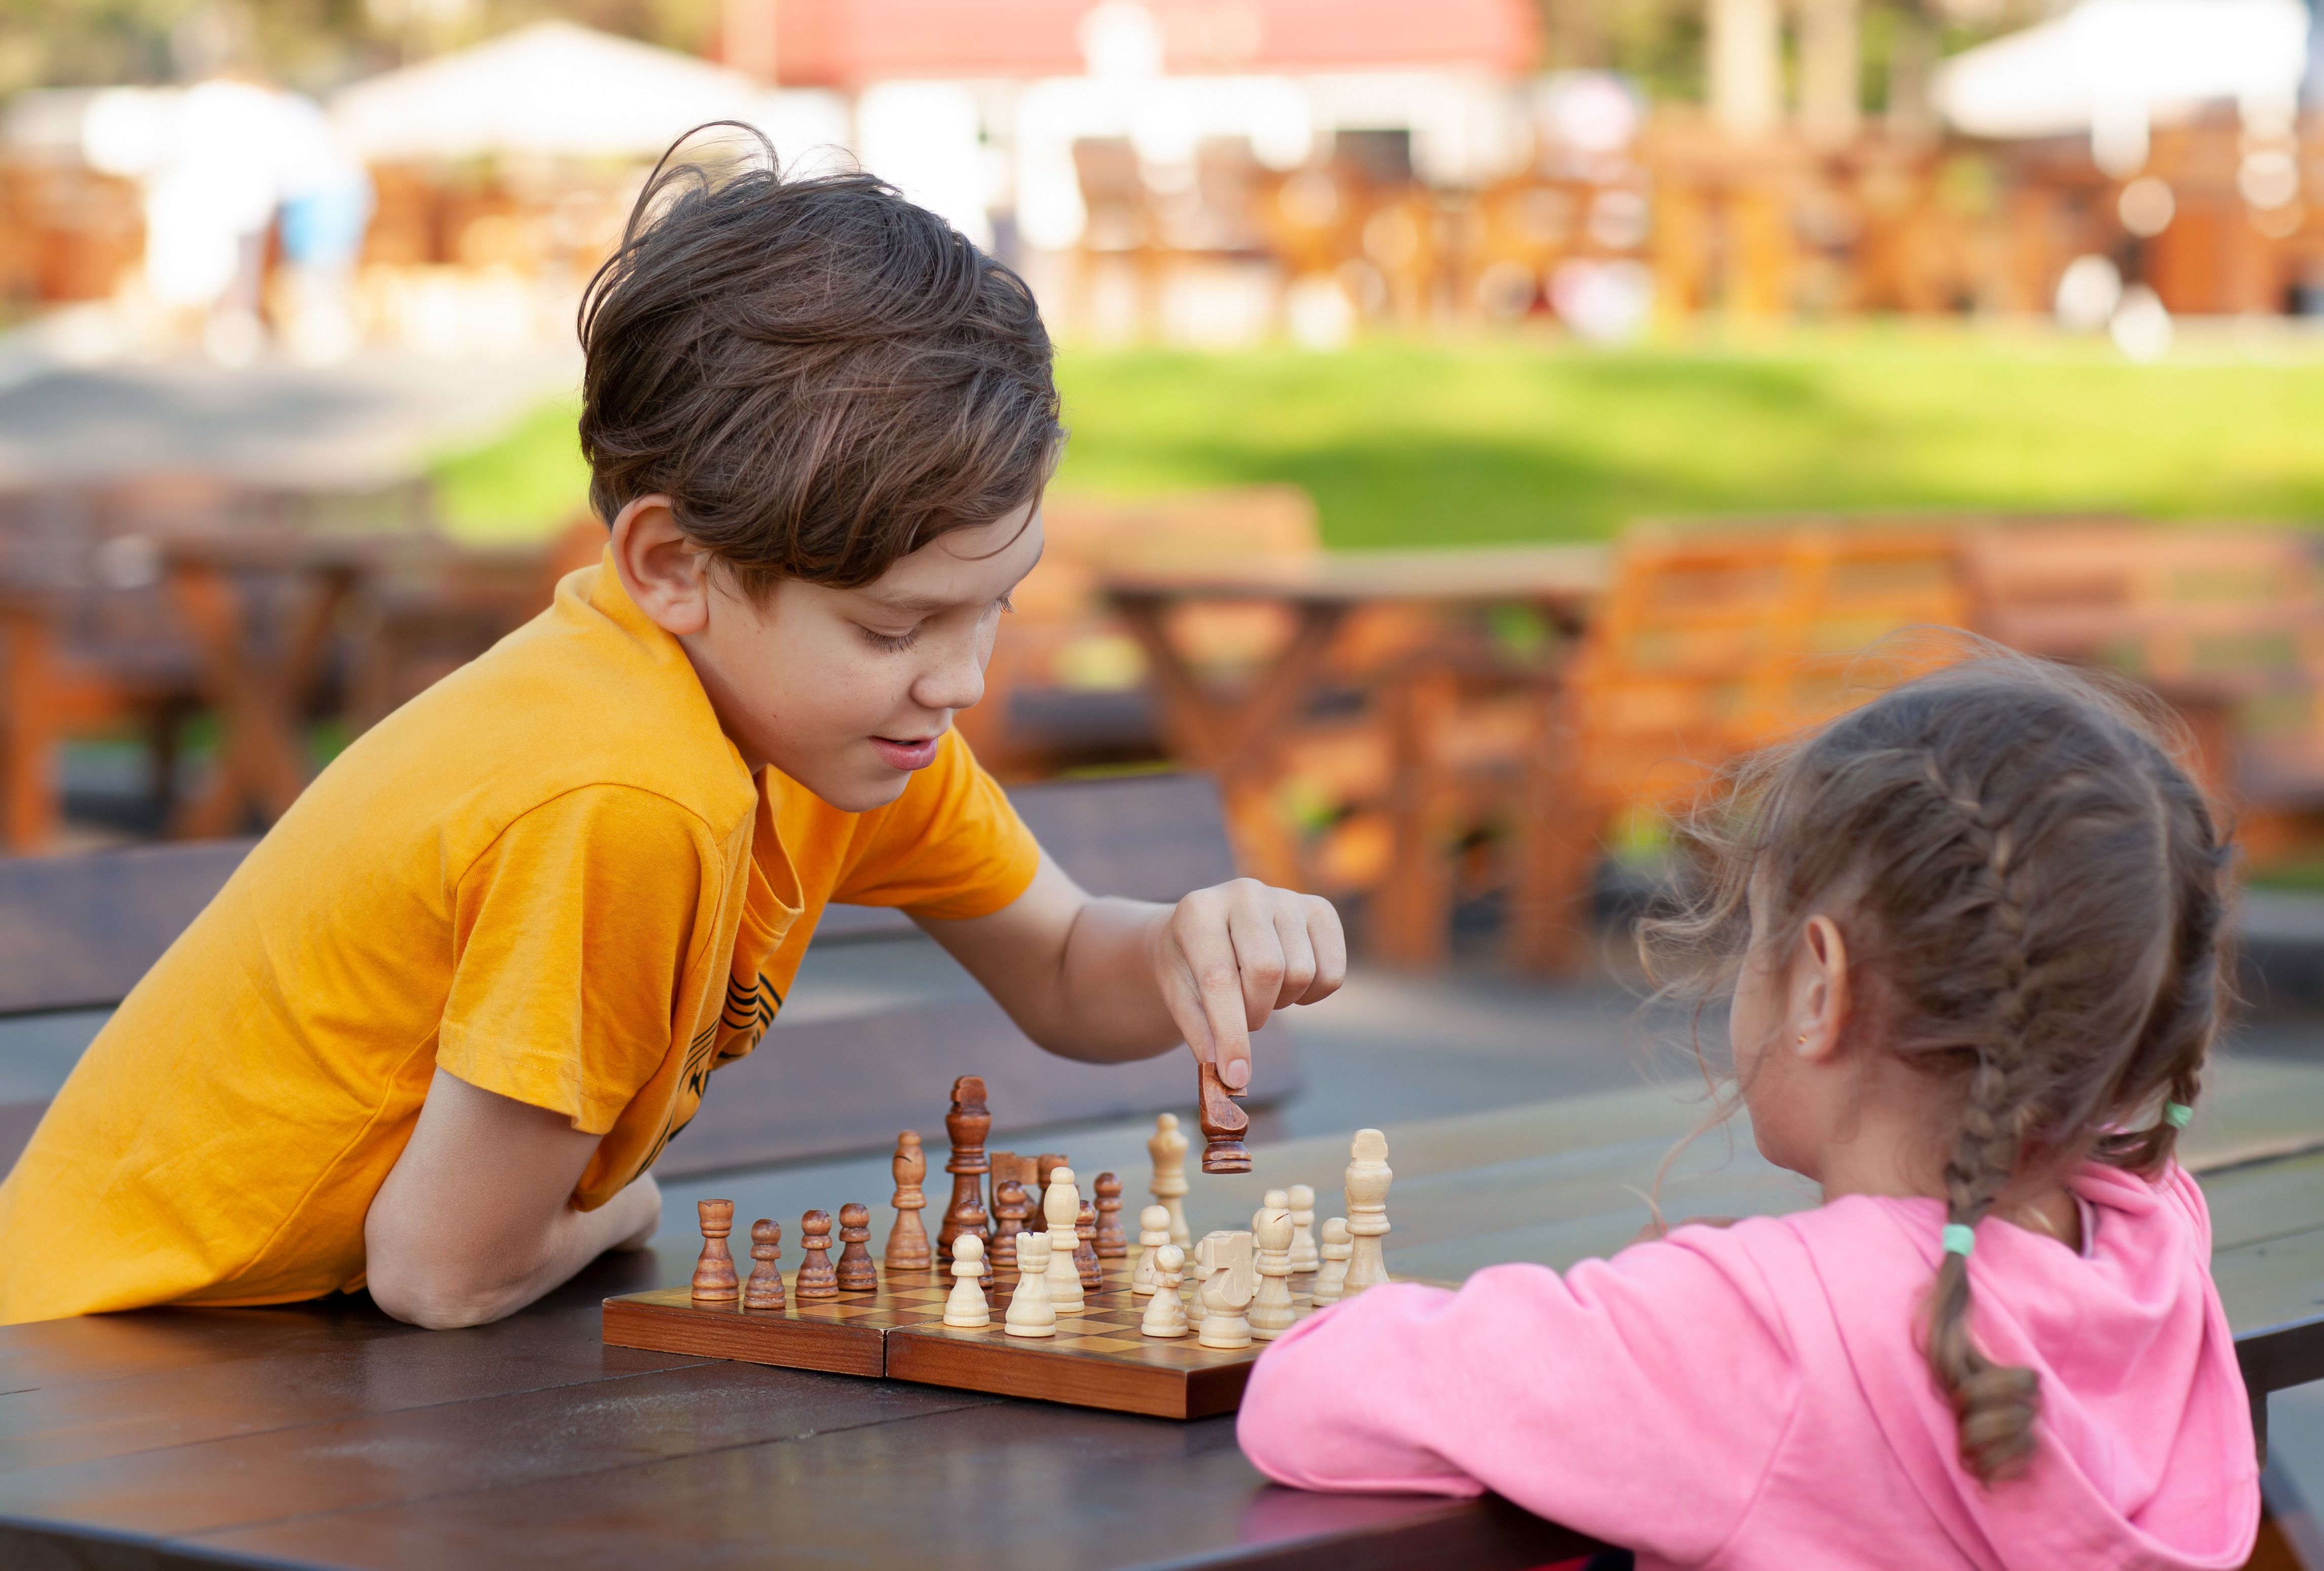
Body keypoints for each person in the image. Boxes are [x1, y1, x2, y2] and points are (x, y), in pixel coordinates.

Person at [0, 131, 1343, 1329]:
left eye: (993, 604)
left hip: (244, 1355)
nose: (960, 679)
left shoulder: (835, 732)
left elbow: (1056, 963)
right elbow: (445, 1271)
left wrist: (1182, 946)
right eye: (894, 627)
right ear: (671, 566)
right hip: (87, 1376)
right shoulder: (628, 792)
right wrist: (628, 1207)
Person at [1238, 653, 2258, 1570]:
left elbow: (1307, 1398)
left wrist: (1700, 1304)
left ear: (1819, 987)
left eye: (1758, 925)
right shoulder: (2151, 1241)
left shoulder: (1750, 1334)